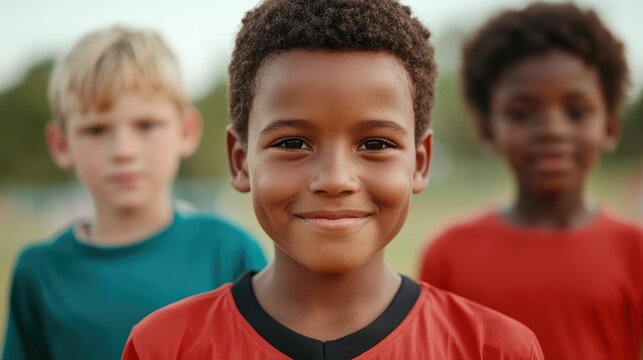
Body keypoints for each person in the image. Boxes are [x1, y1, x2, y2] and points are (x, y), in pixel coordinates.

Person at [121, 1, 544, 359]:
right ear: (240, 161)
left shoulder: (494, 348)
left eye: (375, 144)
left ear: (419, 162)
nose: (336, 179)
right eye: (292, 142)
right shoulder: (165, 345)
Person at [2, 26, 267, 360]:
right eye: (96, 129)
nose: (123, 150)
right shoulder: (39, 272)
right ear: (61, 143)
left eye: (145, 125)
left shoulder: (228, 251)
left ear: (186, 131)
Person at [418, 2, 643, 359]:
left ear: (610, 127)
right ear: (488, 129)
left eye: (576, 111)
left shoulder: (635, 251)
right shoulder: (449, 253)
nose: (552, 129)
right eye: (522, 113)